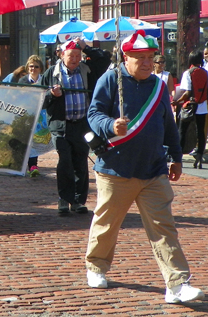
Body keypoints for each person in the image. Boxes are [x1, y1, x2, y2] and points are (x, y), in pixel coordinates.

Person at [85, 31, 204, 304]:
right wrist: (110, 125)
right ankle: (96, 266)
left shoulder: (158, 86)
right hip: (116, 170)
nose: (148, 62)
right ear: (126, 57)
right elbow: (94, 114)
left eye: (150, 57)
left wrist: (175, 156)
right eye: (140, 57)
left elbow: (168, 124)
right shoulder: (110, 80)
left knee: (165, 228)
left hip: (153, 170)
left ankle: (176, 284)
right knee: (107, 224)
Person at [40, 37, 104, 215]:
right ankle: (64, 199)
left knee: (81, 163)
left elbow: (104, 59)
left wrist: (86, 47)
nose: (75, 59)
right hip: (61, 125)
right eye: (71, 55)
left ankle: (78, 200)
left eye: (78, 55)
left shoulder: (87, 70)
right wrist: (52, 95)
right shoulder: (51, 73)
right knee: (65, 162)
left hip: (82, 124)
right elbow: (39, 100)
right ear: (61, 55)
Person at [173, 51, 208, 168]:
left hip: (189, 106)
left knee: (182, 130)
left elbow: (187, 92)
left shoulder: (188, 73)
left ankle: (178, 157)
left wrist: (178, 101)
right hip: (202, 106)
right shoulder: (205, 73)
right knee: (201, 132)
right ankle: (199, 156)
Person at [18, 56, 44, 174]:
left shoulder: (44, 80)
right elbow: (21, 94)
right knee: (28, 139)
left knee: (38, 139)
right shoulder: (23, 80)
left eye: (36, 66)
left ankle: (33, 165)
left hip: (42, 113)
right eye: (31, 66)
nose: (33, 69)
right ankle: (29, 165)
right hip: (27, 113)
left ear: (40, 68)